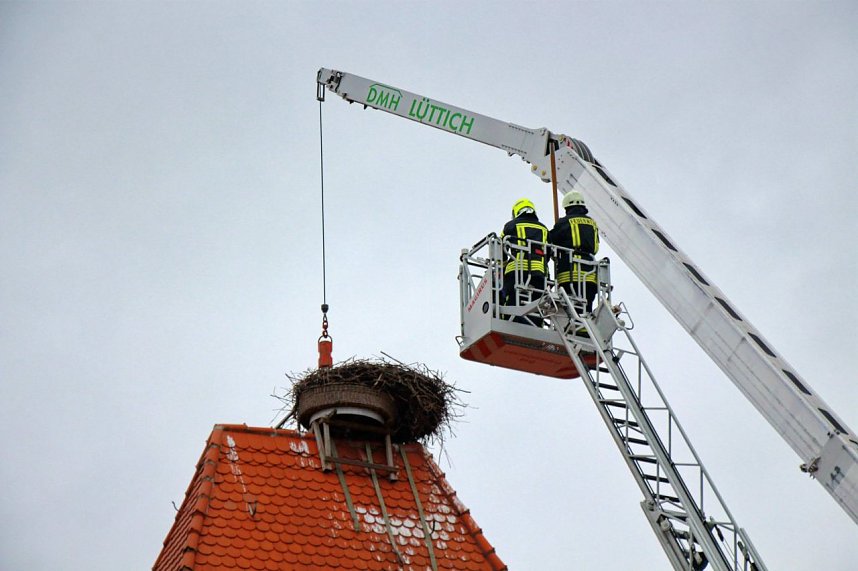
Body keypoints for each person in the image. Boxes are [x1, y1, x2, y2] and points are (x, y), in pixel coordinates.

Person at [549, 191, 600, 314]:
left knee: (570, 311)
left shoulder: (564, 222)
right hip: (590, 273)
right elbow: (596, 247)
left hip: (569, 272)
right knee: (585, 310)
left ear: (567, 207)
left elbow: (551, 242)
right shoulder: (592, 223)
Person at [500, 198, 549, 323]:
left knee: (511, 299)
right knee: (537, 303)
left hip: (516, 271)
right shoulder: (544, 229)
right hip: (539, 273)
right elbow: (549, 251)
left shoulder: (510, 226)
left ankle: (508, 322)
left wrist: (502, 264)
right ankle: (537, 324)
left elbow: (500, 247)